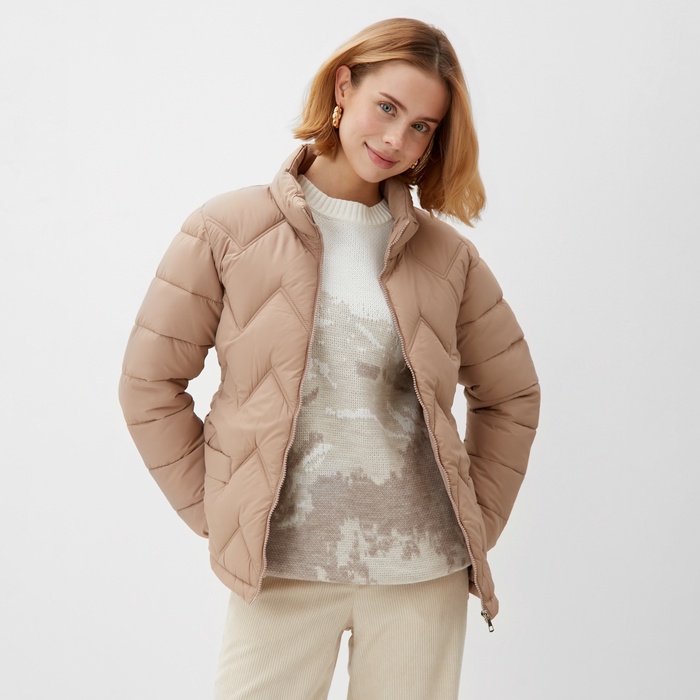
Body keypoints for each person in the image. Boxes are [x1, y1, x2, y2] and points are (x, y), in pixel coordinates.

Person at [118, 17, 540, 700]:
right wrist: (221, 511)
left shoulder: (447, 258)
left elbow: (512, 394)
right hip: (279, 569)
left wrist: (476, 521)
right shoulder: (228, 230)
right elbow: (149, 383)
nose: (397, 139)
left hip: (421, 572)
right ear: (344, 87)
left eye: (422, 127)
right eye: (387, 108)